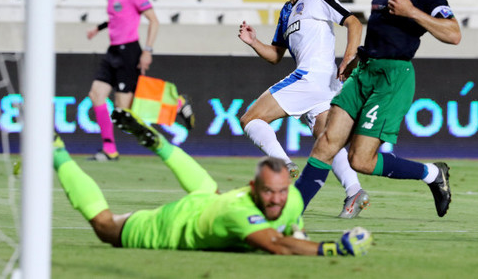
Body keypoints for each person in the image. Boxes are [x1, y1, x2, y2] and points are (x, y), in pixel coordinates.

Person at [294, 0, 461, 218]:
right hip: (364, 71)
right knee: (327, 141)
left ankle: (432, 174)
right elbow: (383, 30)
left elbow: (454, 34)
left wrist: (412, 12)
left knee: (361, 160)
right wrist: (359, 57)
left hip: (392, 79)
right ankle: (290, 212)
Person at [52, 107, 373, 256]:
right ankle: (56, 152)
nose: (276, 200)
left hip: (211, 202)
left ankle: (159, 144)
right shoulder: (241, 215)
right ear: (252, 189)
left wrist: (300, 233)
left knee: (209, 191)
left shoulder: (287, 201)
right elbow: (276, 245)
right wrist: (331, 248)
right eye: (269, 194)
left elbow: (294, 226)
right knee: (107, 228)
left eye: (280, 192)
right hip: (173, 226)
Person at [238, 0, 369, 218]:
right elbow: (275, 55)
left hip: (314, 77)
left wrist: (348, 56)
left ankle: (284, 165)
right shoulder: (286, 12)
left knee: (251, 119)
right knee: (326, 139)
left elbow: (354, 23)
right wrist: (253, 42)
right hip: (322, 87)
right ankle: (355, 190)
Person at [85, 0, 193, 161]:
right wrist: (98, 28)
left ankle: (178, 103)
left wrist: (147, 50)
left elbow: (153, 20)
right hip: (113, 50)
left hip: (129, 51)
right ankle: (109, 150)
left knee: (125, 111)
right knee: (96, 94)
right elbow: (118, 16)